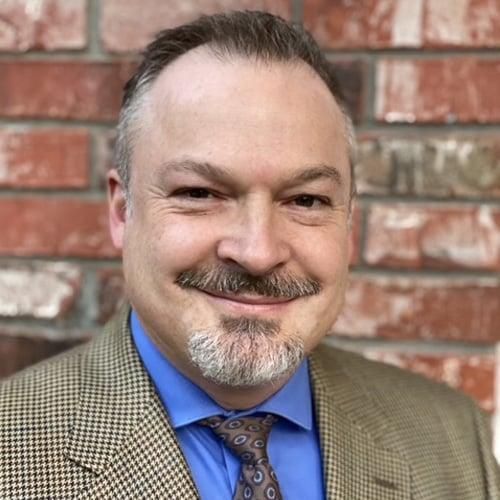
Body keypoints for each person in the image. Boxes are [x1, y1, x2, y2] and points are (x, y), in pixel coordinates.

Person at [0, 10, 498, 500]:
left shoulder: (453, 438)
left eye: (306, 200)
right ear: (122, 211)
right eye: (200, 193)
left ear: (349, 221)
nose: (258, 253)